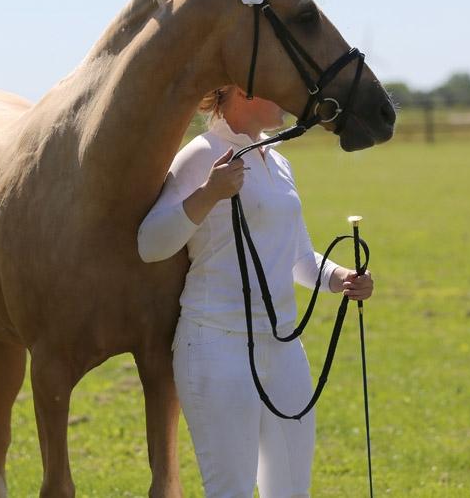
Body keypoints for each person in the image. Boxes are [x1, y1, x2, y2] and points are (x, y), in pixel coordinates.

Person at [137, 85, 375, 498]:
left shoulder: (279, 161)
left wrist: (341, 277)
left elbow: (298, 257)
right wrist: (209, 192)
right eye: (276, 88)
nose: (289, 98)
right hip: (216, 346)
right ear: (243, 91)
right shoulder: (200, 154)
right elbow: (151, 243)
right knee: (230, 491)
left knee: (291, 491)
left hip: (284, 348)